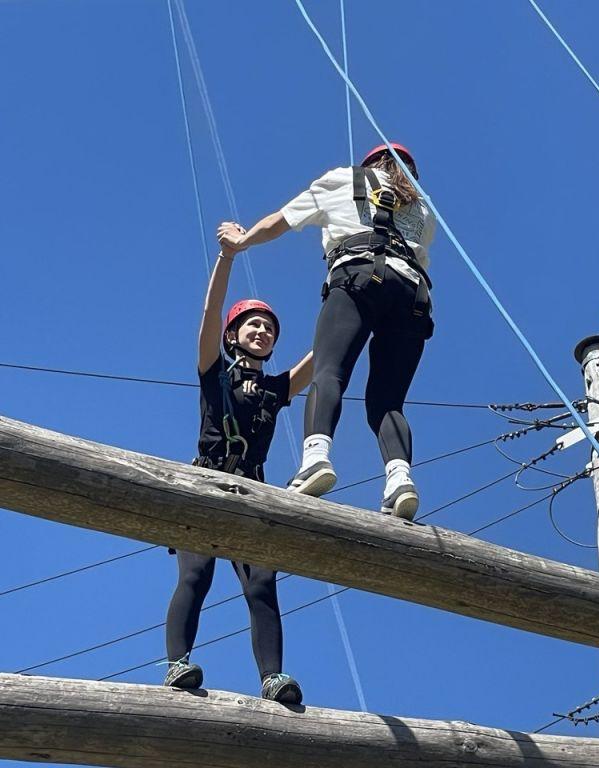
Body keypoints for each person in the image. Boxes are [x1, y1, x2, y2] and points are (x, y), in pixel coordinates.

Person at [217, 143, 435, 520]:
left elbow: (280, 221)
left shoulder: (342, 179)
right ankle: (400, 479)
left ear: (369, 162)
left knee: (329, 371)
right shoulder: (424, 210)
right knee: (388, 401)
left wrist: (242, 241)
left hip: (359, 277)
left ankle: (316, 459)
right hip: (413, 296)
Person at [163, 229, 313, 704]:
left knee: (263, 584)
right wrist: (227, 257)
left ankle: (273, 678)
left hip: (252, 491)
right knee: (195, 574)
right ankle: (177, 665)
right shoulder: (214, 372)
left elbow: (327, 356)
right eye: (252, 325)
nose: (262, 331)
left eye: (269, 328)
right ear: (233, 336)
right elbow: (209, 316)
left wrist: (360, 314)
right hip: (204, 479)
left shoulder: (274, 388)